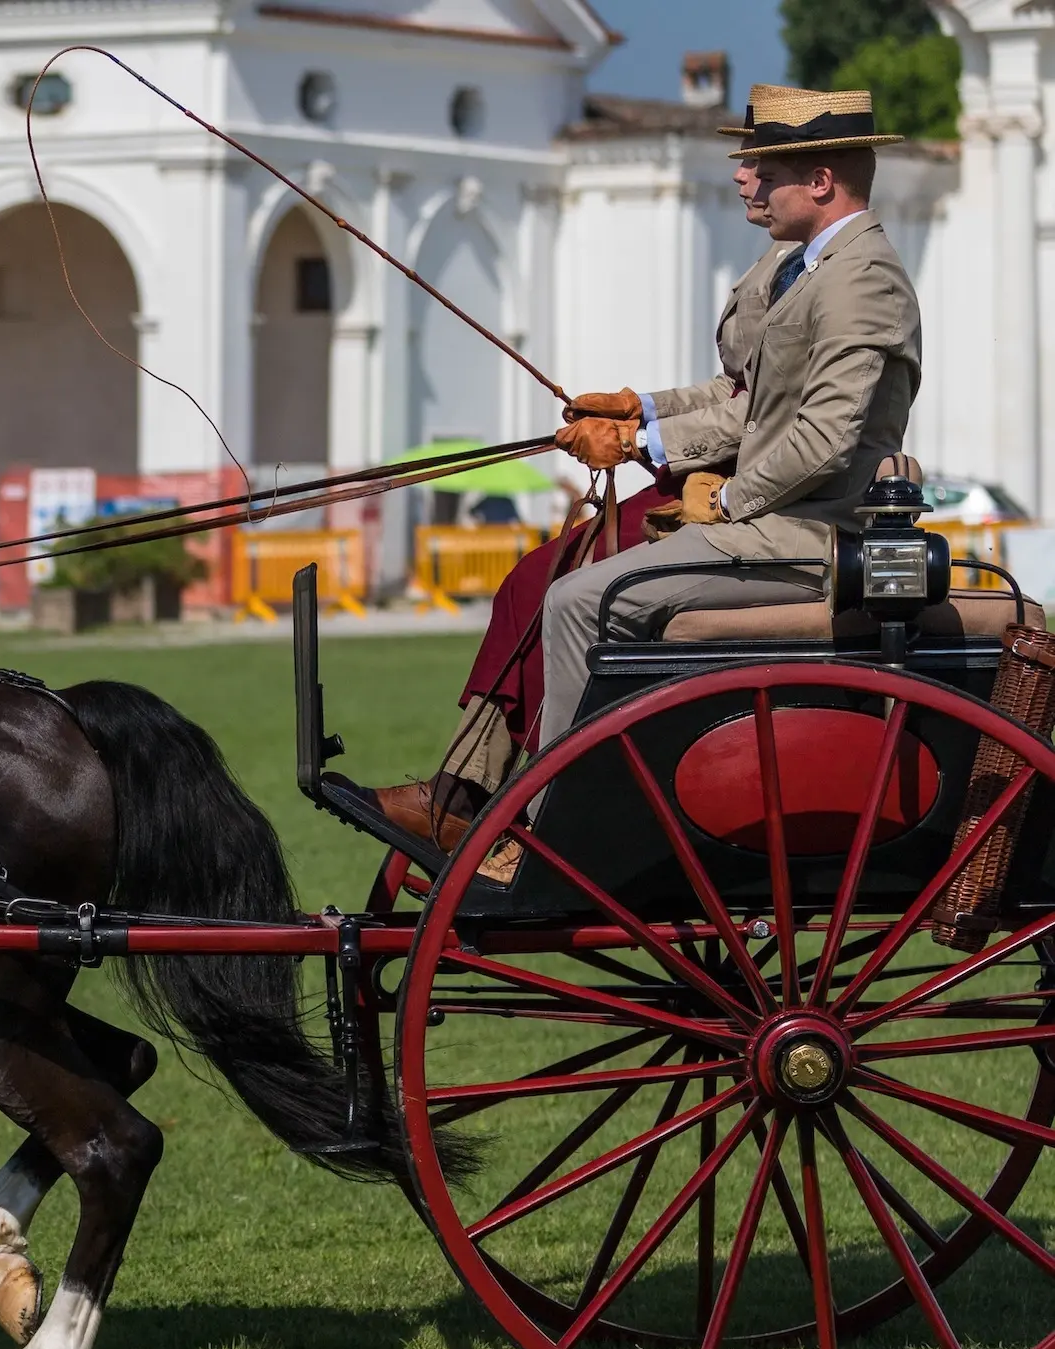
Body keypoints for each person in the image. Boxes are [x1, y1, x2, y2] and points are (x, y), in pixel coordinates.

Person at [367, 85, 916, 847]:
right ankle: (477, 794)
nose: (739, 176)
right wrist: (641, 411)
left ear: (819, 182)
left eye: (759, 163)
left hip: (799, 534)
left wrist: (715, 494)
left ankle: (550, 829)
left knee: (573, 599)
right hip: (765, 515)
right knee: (550, 582)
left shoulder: (861, 279)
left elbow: (819, 437)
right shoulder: (804, 265)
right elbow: (751, 396)